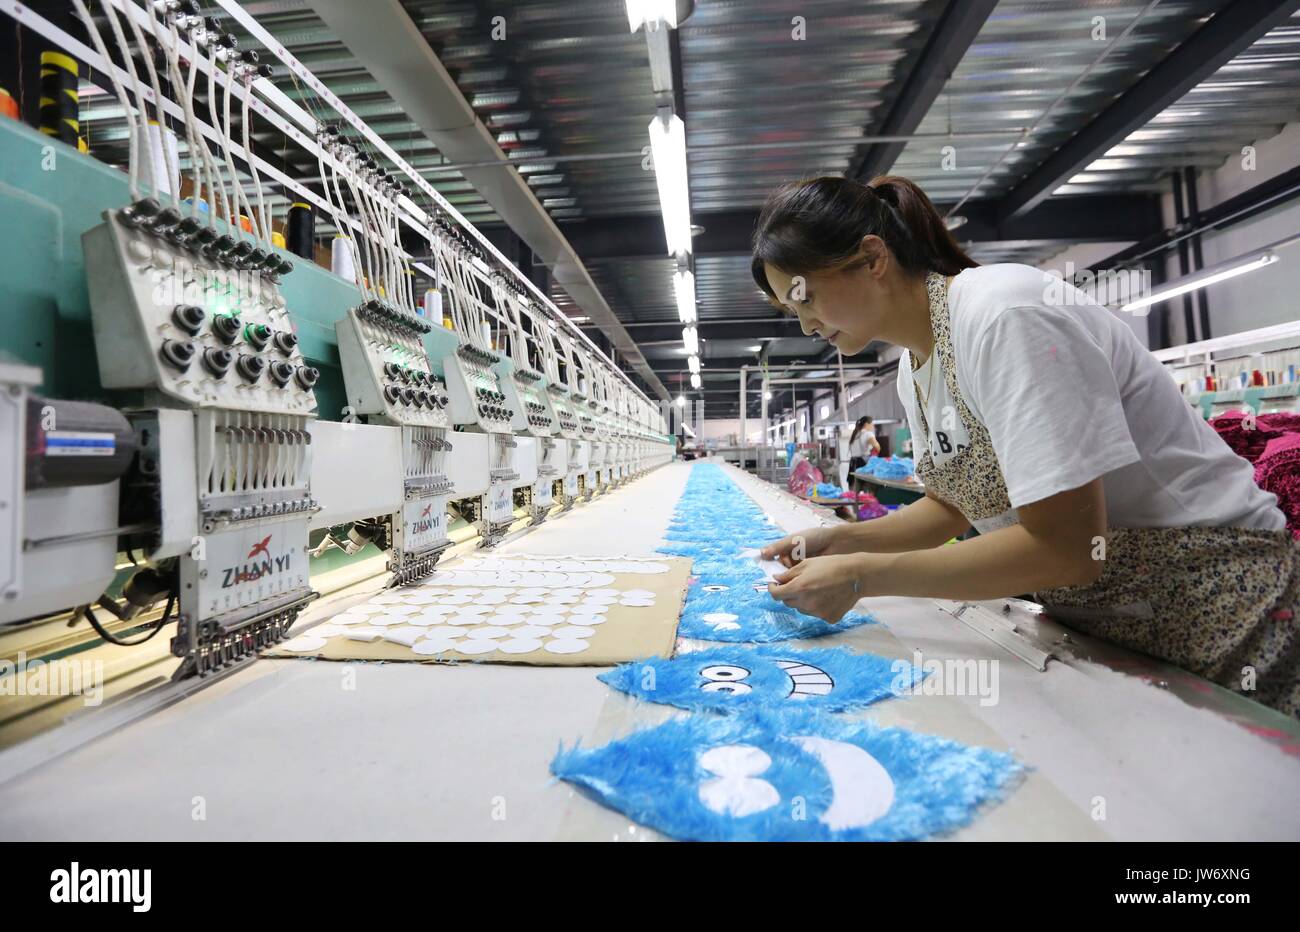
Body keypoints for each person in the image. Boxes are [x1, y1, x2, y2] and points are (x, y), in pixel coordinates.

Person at [751, 174, 1299, 717]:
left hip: (1227, 605)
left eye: (804, 294)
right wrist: (844, 540)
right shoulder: (914, 367)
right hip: (1123, 623)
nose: (804, 324)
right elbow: (953, 504)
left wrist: (863, 576)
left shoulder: (1003, 314)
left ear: (872, 258)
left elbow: (1068, 547)